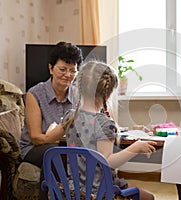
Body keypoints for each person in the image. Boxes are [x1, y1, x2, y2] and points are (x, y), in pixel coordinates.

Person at [45, 60, 156, 200]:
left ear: (80, 88)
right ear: (108, 93)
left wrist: (53, 125)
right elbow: (108, 161)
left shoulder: (70, 117)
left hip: (72, 189)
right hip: (99, 191)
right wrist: (135, 148)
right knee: (149, 197)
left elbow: (49, 136)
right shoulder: (105, 124)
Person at [19, 41, 83, 199]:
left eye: (72, 71)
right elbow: (35, 138)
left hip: (67, 146)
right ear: (51, 68)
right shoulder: (35, 93)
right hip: (35, 148)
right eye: (62, 69)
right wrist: (61, 131)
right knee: (54, 153)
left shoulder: (78, 95)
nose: (67, 75)